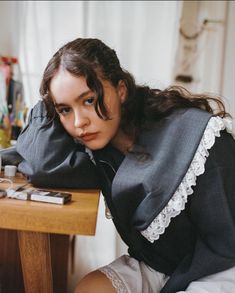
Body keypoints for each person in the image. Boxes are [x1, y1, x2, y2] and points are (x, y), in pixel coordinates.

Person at [1, 38, 235, 293]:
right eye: (65, 109)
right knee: (88, 289)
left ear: (121, 90)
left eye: (89, 100)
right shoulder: (100, 150)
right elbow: (42, 163)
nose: (79, 122)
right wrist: (49, 102)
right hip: (157, 264)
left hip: (219, 268)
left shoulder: (201, 138)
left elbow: (227, 244)